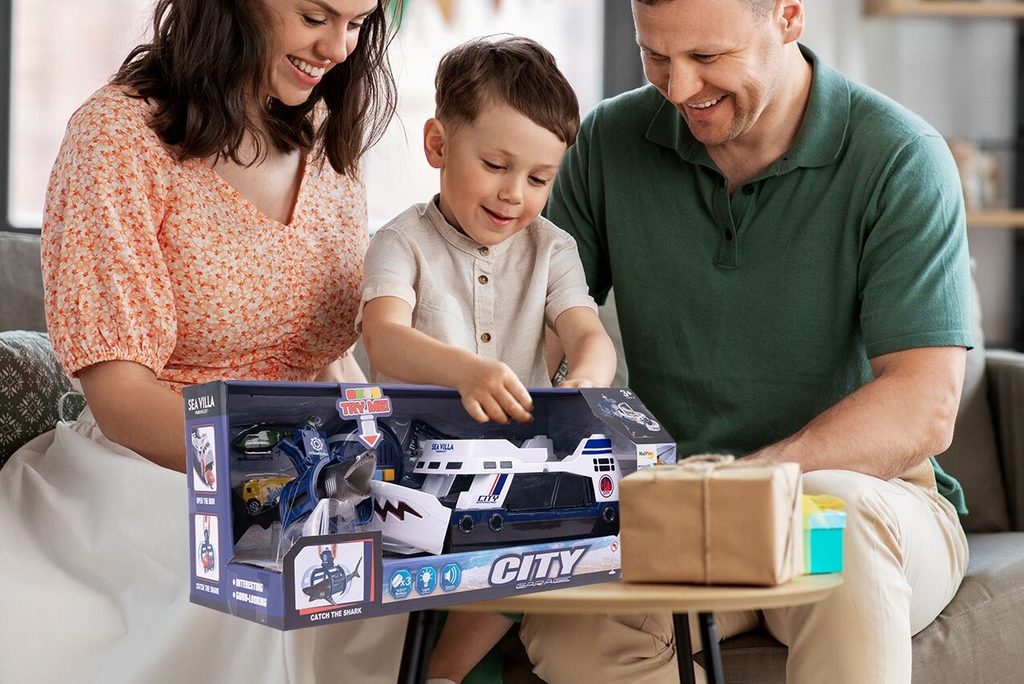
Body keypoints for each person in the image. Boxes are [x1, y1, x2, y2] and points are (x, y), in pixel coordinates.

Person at [520, 1, 972, 683]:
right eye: (655, 56)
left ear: (788, 15)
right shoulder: (608, 143)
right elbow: (537, 332)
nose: (678, 89)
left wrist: (741, 487)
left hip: (866, 505)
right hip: (680, 525)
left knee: (837, 515)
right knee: (568, 628)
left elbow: (924, 406)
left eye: (707, 57)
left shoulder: (900, 156)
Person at [0, 1, 409, 682]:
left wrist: (380, 448)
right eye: (315, 15)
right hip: (155, 471)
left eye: (358, 22)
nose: (338, 47)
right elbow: (121, 400)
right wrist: (275, 467)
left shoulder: (326, 134)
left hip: (308, 470)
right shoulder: (119, 136)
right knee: (261, 570)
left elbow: (324, 355)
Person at [357, 36, 617, 682]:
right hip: (413, 460)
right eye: (496, 165)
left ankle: (441, 672)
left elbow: (588, 334)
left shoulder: (552, 248)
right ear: (438, 145)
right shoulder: (401, 242)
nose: (514, 195)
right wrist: (467, 372)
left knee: (564, 522)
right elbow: (384, 338)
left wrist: (587, 380)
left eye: (539, 179)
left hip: (517, 464)